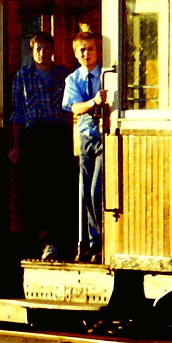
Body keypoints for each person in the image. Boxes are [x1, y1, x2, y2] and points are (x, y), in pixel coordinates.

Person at [9, 32, 72, 261]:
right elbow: (17, 112)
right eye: (38, 49)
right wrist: (16, 145)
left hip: (58, 134)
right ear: (31, 51)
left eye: (46, 48)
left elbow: (70, 108)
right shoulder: (23, 75)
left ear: (52, 50)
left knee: (57, 190)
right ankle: (36, 241)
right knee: (34, 191)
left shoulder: (63, 74)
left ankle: (55, 241)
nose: (42, 53)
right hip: (33, 135)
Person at [62, 30, 105, 263]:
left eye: (90, 49)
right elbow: (74, 107)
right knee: (86, 191)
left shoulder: (107, 75)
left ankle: (101, 239)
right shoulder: (73, 79)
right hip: (86, 138)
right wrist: (93, 102)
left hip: (106, 139)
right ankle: (92, 240)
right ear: (75, 54)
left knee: (97, 189)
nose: (86, 53)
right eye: (82, 50)